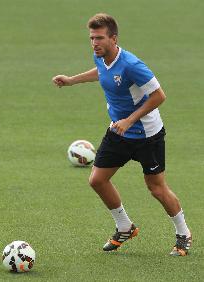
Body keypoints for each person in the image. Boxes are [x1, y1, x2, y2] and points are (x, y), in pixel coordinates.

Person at [52, 13, 192, 256]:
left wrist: (130, 120)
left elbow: (160, 95)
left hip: (148, 135)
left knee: (156, 188)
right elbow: (101, 72)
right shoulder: (100, 56)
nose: (94, 43)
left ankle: (183, 234)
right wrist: (72, 80)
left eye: (99, 38)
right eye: (91, 38)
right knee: (97, 180)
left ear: (114, 39)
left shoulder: (132, 65)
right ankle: (125, 227)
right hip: (118, 131)